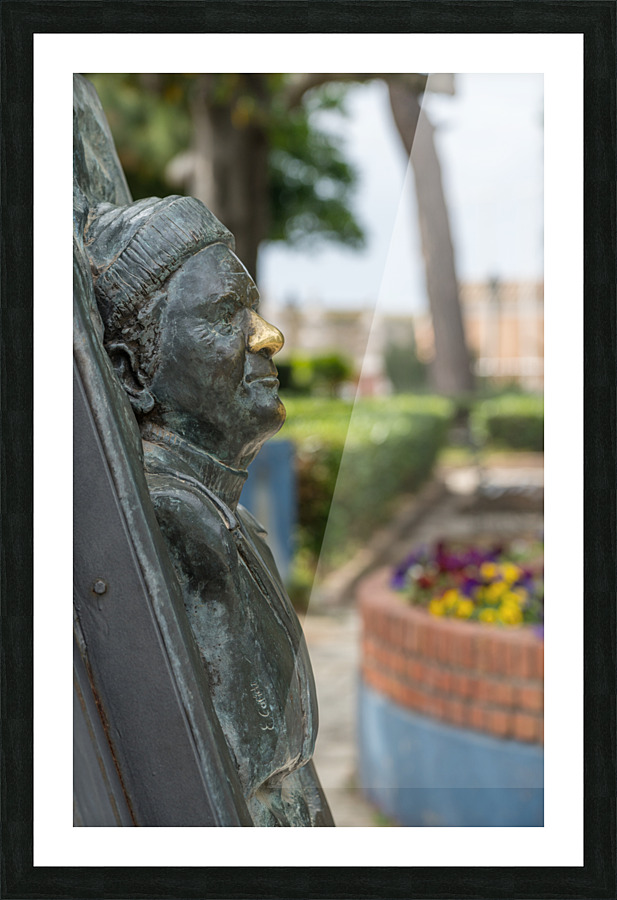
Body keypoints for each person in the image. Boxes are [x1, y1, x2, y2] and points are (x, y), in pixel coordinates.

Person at [85, 195, 333, 827]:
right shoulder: (176, 523)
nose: (267, 334)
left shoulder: (226, 519)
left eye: (251, 306)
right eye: (227, 314)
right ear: (132, 369)